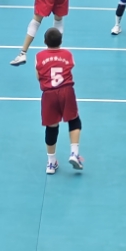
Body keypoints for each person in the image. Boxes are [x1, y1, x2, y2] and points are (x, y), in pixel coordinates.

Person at [35, 28, 84, 174]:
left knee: (51, 127)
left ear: (45, 41)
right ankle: (74, 153)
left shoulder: (39, 56)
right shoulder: (68, 54)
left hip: (49, 94)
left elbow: (38, 76)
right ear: (61, 41)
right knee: (74, 120)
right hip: (66, 91)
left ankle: (51, 163)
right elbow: (69, 67)